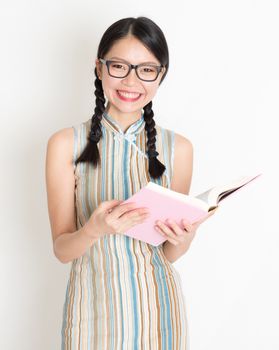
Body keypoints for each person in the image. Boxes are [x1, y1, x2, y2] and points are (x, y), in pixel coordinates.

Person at [45, 16, 217, 349]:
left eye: (146, 69)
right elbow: (62, 250)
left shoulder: (178, 148)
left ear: (160, 75)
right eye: (119, 66)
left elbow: (168, 253)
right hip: (91, 315)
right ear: (99, 68)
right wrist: (94, 229)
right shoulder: (65, 143)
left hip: (160, 316)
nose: (131, 81)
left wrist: (184, 237)